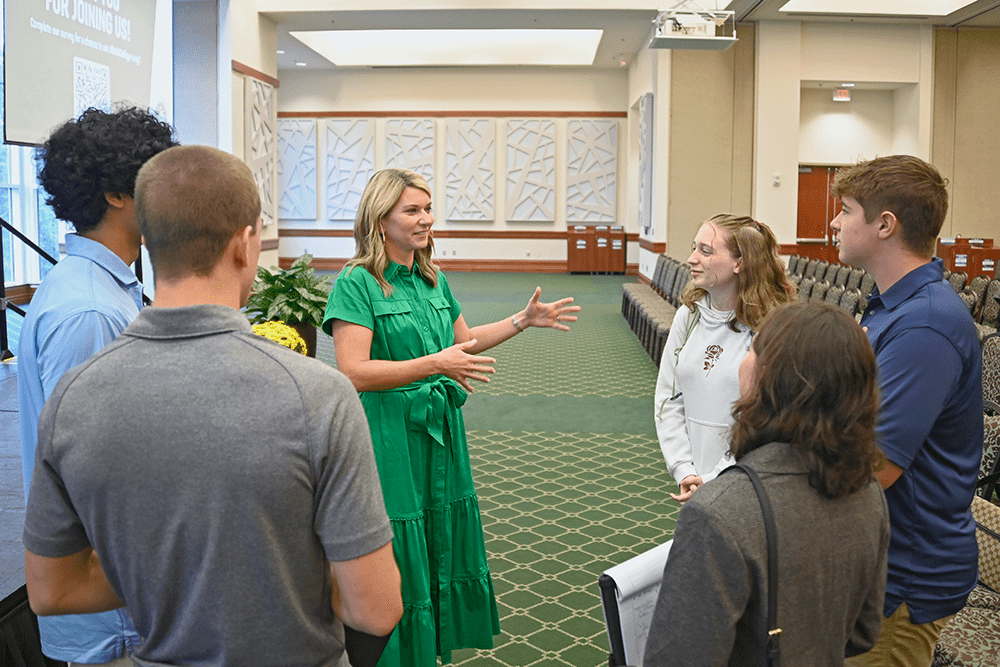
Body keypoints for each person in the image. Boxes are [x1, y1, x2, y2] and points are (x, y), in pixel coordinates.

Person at [23, 145, 403, 666]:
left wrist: (167, 573)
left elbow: (52, 591)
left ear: (149, 239)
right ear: (246, 244)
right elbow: (376, 608)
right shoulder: (317, 394)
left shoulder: (74, 395)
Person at [323, 168, 580, 667]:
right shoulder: (357, 283)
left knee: (438, 535)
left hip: (439, 433)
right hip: (388, 435)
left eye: (427, 208)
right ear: (381, 221)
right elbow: (353, 371)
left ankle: (427, 651)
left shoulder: (430, 276)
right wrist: (436, 364)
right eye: (412, 211)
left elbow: (463, 342)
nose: (426, 219)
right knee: (398, 542)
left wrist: (521, 321)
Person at [644, 301, 890, 667]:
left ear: (773, 380)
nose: (742, 361)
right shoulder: (867, 492)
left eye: (752, 350)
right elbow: (863, 633)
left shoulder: (718, 513)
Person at [17, 105, 176, 665]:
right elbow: (93, 477)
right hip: (111, 621)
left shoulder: (109, 290)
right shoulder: (89, 310)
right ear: (115, 192)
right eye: (157, 176)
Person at [830, 155, 982, 667]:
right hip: (879, 559)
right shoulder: (893, 307)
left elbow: (877, 466)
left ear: (885, 225)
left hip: (902, 576)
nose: (835, 222)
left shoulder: (925, 325)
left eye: (846, 210)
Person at [654, 214, 794, 502]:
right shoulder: (688, 316)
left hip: (747, 483)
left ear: (739, 263)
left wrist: (714, 477)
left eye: (706, 251)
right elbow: (668, 399)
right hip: (694, 481)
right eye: (695, 248)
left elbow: (763, 419)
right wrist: (684, 470)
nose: (692, 258)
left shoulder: (771, 326)